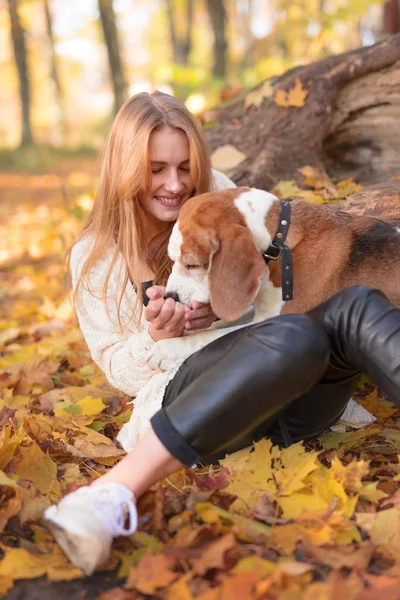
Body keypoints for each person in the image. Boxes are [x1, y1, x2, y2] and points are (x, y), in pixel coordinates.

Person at [44, 91, 400, 576]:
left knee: (357, 306)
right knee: (294, 336)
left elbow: (258, 287)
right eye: (155, 169)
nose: (175, 184)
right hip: (201, 407)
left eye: (185, 167)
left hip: (292, 395)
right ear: (125, 167)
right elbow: (118, 371)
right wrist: (156, 336)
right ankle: (108, 495)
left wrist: (221, 314)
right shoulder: (94, 254)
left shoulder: (214, 195)